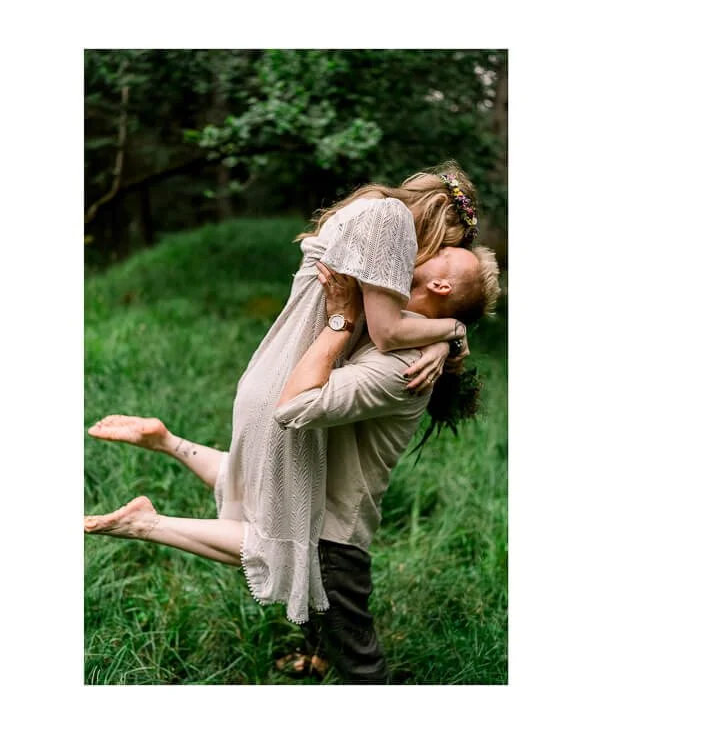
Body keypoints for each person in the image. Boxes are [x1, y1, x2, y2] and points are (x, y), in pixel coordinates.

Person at [86, 244, 501, 682]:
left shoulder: (401, 366)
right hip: (305, 486)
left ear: (440, 285)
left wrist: (343, 323)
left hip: (334, 537)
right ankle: (316, 653)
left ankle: (147, 525)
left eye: (443, 251)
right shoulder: (394, 326)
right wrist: (451, 333)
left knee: (360, 663)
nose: (425, 246)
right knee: (266, 514)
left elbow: (294, 405)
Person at [206, 163, 482, 625]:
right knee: (281, 538)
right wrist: (452, 329)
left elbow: (381, 321)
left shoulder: (369, 205)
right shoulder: (391, 221)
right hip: (296, 384)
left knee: (288, 526)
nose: (427, 257)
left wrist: (441, 340)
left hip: (274, 370)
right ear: (439, 217)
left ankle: (315, 646)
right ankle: (146, 524)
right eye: (443, 244)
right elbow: (388, 332)